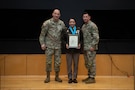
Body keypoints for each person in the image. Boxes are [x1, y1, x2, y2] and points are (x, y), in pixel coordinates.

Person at [39, 9, 65, 83]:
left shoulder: (62, 24)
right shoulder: (47, 23)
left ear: (59, 15)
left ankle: (57, 76)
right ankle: (48, 77)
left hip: (58, 46)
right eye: (55, 13)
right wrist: (42, 43)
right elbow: (42, 35)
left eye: (58, 14)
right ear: (52, 14)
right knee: (48, 62)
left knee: (58, 62)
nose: (56, 15)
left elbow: (64, 35)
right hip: (49, 46)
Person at [81, 12, 99, 84]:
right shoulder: (83, 26)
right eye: (84, 17)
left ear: (89, 17)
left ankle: (92, 77)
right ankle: (89, 76)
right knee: (88, 63)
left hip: (91, 48)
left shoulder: (93, 25)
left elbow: (96, 37)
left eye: (86, 17)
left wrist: (93, 46)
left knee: (92, 63)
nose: (85, 18)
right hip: (85, 48)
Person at [63, 18, 83, 83]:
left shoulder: (79, 30)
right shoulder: (66, 30)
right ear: (69, 23)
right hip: (68, 50)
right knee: (69, 64)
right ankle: (70, 78)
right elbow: (63, 39)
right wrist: (66, 44)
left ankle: (75, 77)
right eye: (70, 22)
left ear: (75, 23)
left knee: (76, 64)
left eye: (73, 22)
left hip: (76, 50)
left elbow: (82, 39)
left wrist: (80, 44)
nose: (72, 23)